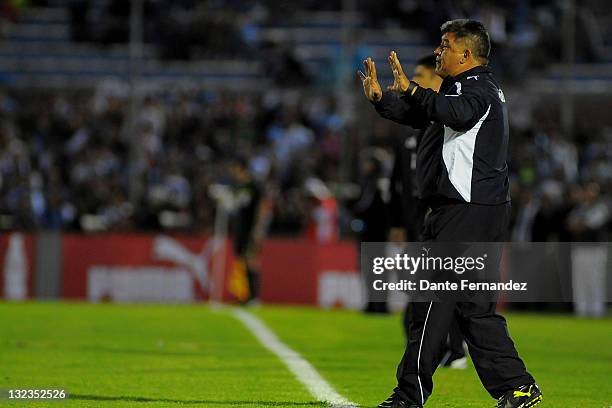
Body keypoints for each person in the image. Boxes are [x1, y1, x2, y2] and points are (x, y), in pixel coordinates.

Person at [359, 19, 542, 408]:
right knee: (474, 308)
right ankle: (518, 385)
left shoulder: (476, 89)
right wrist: (382, 99)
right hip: (479, 211)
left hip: (463, 212)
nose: (438, 52)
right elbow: (423, 114)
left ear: (466, 53)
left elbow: (452, 112)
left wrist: (412, 88)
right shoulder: (473, 90)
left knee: (430, 304)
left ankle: (409, 395)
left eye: (445, 45)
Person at [369, 54, 467, 367]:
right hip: (417, 221)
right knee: (423, 288)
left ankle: (451, 348)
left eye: (421, 77)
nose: (415, 82)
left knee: (440, 289)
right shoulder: (414, 127)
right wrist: (380, 98)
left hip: (447, 218)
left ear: (438, 81)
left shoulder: (454, 118)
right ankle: (436, 350)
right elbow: (398, 182)